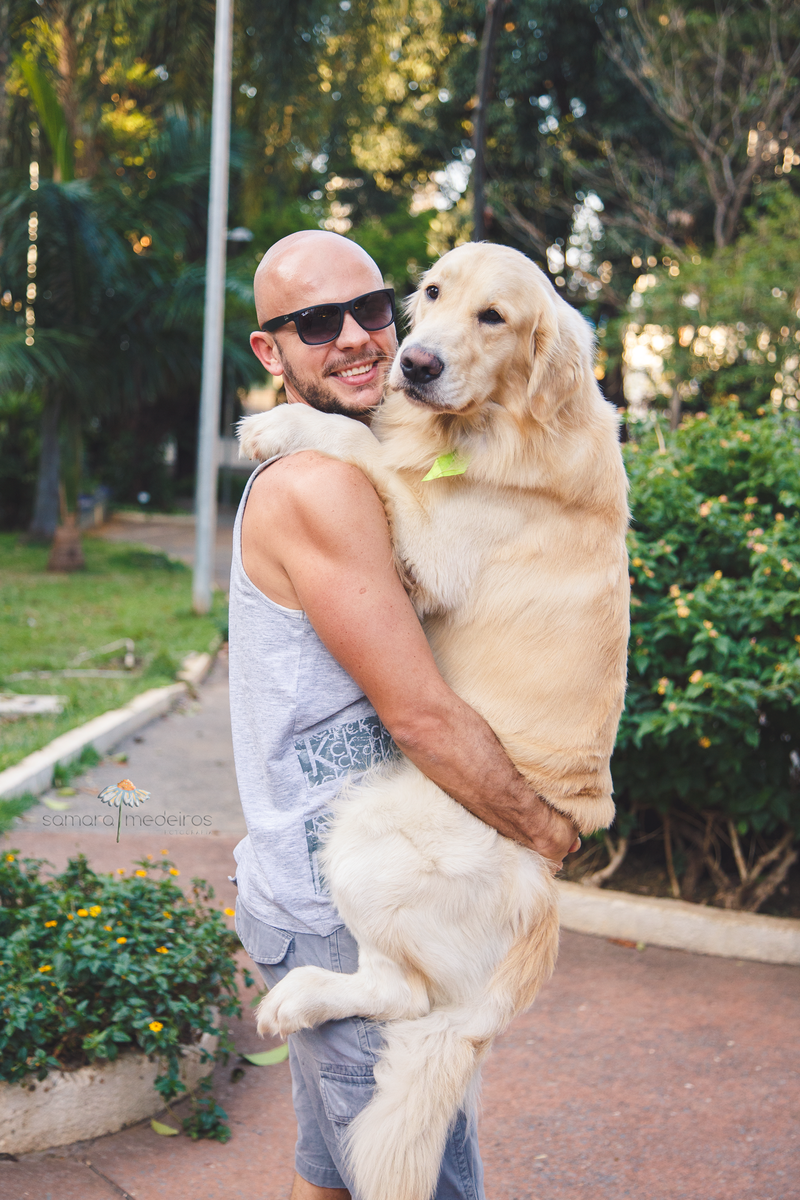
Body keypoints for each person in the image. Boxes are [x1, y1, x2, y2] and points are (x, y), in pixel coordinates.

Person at [229, 229, 579, 1200]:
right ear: (270, 351)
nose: (355, 338)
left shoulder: (382, 459)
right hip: (349, 902)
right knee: (420, 1177)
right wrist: (548, 828)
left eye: (369, 308)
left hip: (316, 881)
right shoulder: (323, 484)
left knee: (334, 1172)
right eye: (313, 323)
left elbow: (448, 488)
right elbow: (421, 716)